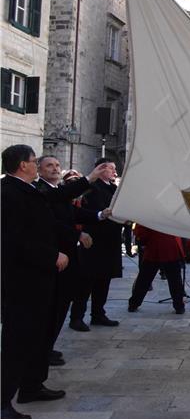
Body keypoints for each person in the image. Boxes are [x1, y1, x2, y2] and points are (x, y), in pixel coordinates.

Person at [2, 145, 69, 419]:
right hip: (23, 282)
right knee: (17, 341)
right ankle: (3, 401)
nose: (37, 164)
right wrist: (51, 254)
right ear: (23, 165)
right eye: (33, 161)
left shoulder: (27, 191)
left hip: (38, 279)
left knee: (36, 337)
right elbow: (14, 241)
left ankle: (30, 386)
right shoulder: (9, 194)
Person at [35, 156, 113, 365]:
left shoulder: (55, 190)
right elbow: (52, 222)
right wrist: (76, 235)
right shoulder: (40, 191)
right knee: (52, 306)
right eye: (49, 165)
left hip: (67, 257)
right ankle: (43, 349)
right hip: (53, 257)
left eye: (57, 165)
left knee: (61, 303)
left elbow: (73, 212)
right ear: (38, 170)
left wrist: (99, 215)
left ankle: (47, 347)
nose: (55, 169)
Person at [70, 157, 123, 331]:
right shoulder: (91, 188)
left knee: (104, 279)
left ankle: (98, 314)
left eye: (114, 169)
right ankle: (76, 317)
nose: (114, 172)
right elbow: (84, 211)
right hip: (93, 241)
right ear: (100, 169)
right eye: (110, 168)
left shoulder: (114, 188)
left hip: (111, 240)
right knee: (86, 281)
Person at [127, 225, 185, 313]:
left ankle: (134, 303)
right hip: (168, 245)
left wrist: (143, 240)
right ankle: (179, 306)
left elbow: (141, 230)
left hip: (154, 245)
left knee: (144, 278)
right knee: (174, 279)